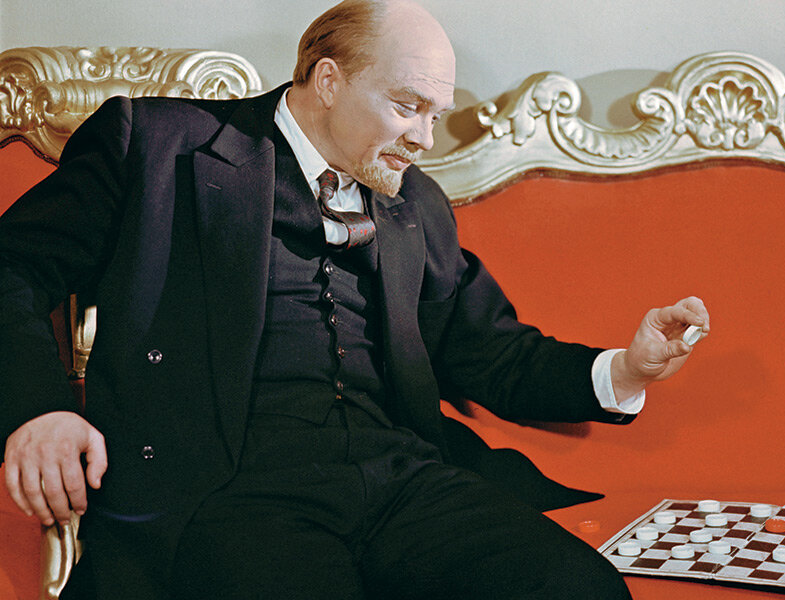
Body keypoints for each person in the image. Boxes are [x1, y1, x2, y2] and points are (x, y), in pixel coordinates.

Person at [0, 1, 709, 598]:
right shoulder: (157, 144)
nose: (424, 138)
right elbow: (12, 268)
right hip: (229, 489)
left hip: (403, 477)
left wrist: (626, 369)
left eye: (436, 115)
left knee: (578, 588)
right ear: (329, 80)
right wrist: (39, 411)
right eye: (407, 106)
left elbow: (488, 350)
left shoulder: (416, 202)